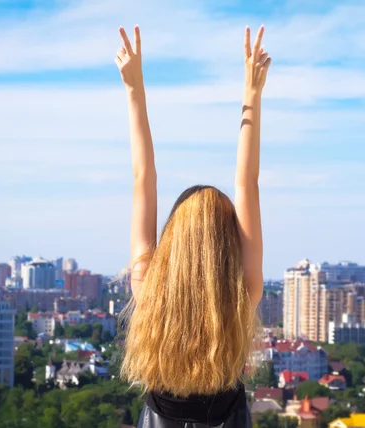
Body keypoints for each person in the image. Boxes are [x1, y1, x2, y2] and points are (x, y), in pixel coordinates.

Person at [115, 24, 271, 428]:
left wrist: (134, 90)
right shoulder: (243, 294)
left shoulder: (148, 288)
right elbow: (247, 183)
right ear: (228, 243)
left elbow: (141, 179)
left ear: (172, 239)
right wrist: (252, 93)